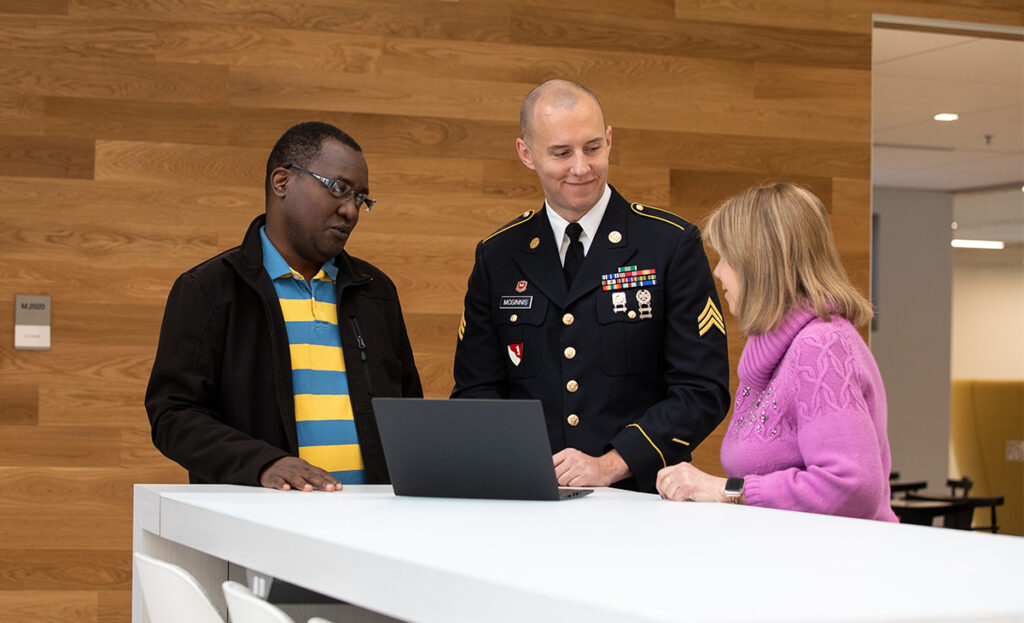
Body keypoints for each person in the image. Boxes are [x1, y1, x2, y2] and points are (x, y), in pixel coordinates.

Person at [452, 80, 730, 493]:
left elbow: (702, 388)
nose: (581, 167)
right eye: (561, 153)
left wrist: (613, 463)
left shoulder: (669, 243)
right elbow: (476, 390)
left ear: (610, 140)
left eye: (593, 147)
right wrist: (519, 466)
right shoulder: (499, 255)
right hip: (529, 501)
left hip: (640, 501)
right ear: (526, 154)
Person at [146, 121, 422, 492]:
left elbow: (408, 412)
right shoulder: (209, 289)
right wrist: (263, 463)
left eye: (360, 198)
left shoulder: (375, 292)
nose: (351, 211)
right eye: (339, 188)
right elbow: (174, 416)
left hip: (372, 525)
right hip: (262, 526)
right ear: (282, 182)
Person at [656, 183, 897, 521]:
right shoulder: (774, 351)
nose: (718, 271)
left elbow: (850, 487)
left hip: (838, 568)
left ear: (759, 264)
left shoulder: (821, 346)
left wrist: (724, 490)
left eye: (727, 257)